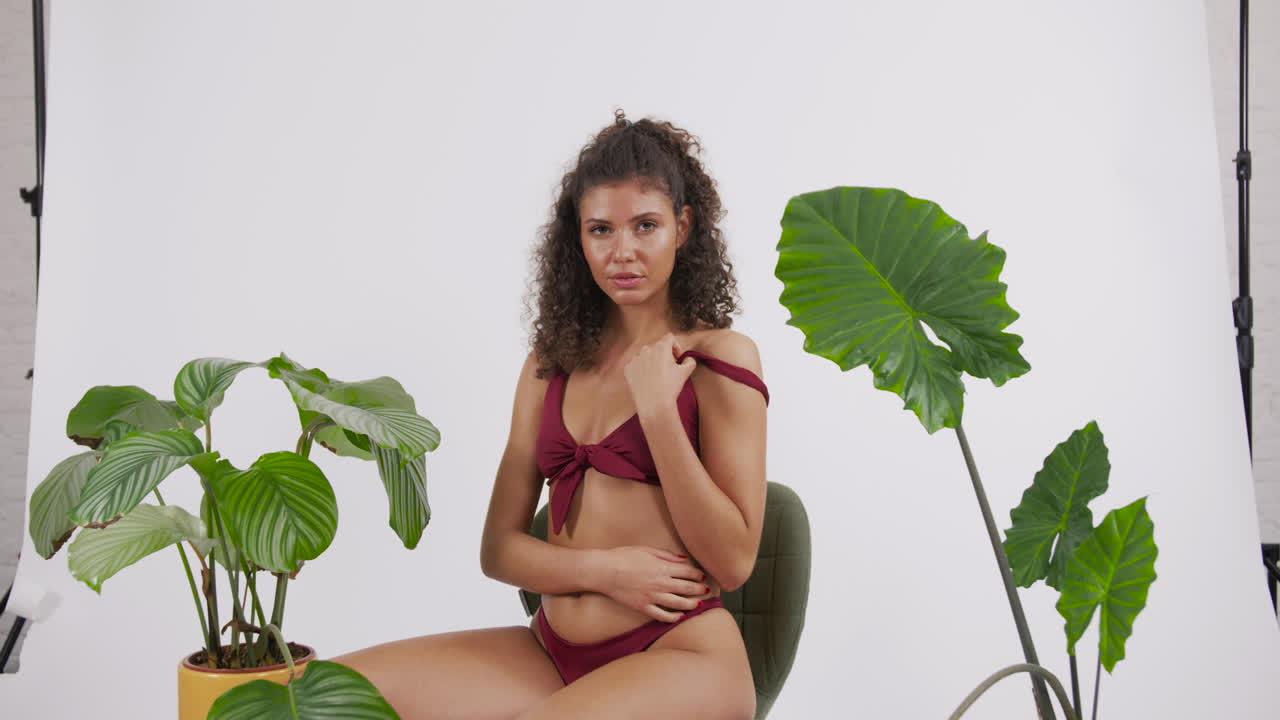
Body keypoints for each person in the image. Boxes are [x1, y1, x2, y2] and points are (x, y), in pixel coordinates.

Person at [332, 109, 769, 720]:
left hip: (685, 657)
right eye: (600, 230)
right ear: (578, 237)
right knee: (327, 695)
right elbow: (499, 550)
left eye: (646, 226)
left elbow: (734, 561)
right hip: (550, 653)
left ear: (684, 226)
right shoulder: (551, 365)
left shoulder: (722, 358)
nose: (623, 252)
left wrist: (660, 417)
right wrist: (608, 571)